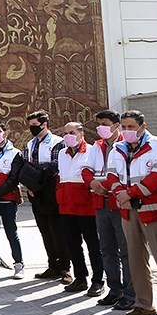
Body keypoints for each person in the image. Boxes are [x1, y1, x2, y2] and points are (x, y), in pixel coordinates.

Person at [104, 110, 157, 315]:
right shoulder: (117, 148)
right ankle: (143, 304)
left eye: (131, 127)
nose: (127, 131)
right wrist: (121, 194)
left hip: (154, 212)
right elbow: (111, 176)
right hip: (128, 211)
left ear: (142, 126)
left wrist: (130, 193)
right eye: (123, 127)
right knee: (136, 259)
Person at [84, 109, 135, 310]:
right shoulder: (97, 147)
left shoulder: (125, 145)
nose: (100, 128)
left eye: (104, 123)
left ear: (115, 125)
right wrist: (92, 183)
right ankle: (115, 290)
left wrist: (105, 184)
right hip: (100, 202)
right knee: (107, 249)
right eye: (99, 124)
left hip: (120, 202)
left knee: (126, 250)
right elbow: (86, 170)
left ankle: (130, 293)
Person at [22, 110, 71, 285]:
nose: (32, 129)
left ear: (45, 124)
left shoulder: (58, 142)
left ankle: (65, 267)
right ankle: (53, 265)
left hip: (51, 189)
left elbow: (57, 167)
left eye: (35, 126)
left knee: (57, 230)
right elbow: (26, 165)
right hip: (35, 192)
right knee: (45, 231)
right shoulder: (30, 144)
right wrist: (28, 185)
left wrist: (40, 176)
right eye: (30, 126)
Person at [57, 123, 104, 296]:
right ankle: (80, 278)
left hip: (86, 206)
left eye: (72, 132)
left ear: (81, 133)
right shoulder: (63, 153)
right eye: (65, 133)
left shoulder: (92, 151)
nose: (68, 136)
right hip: (66, 206)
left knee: (93, 245)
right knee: (73, 245)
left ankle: (98, 280)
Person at [0, 121, 25, 280]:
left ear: (5, 133)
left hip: (7, 199)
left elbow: (13, 179)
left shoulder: (15, 153)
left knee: (11, 232)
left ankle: (19, 264)